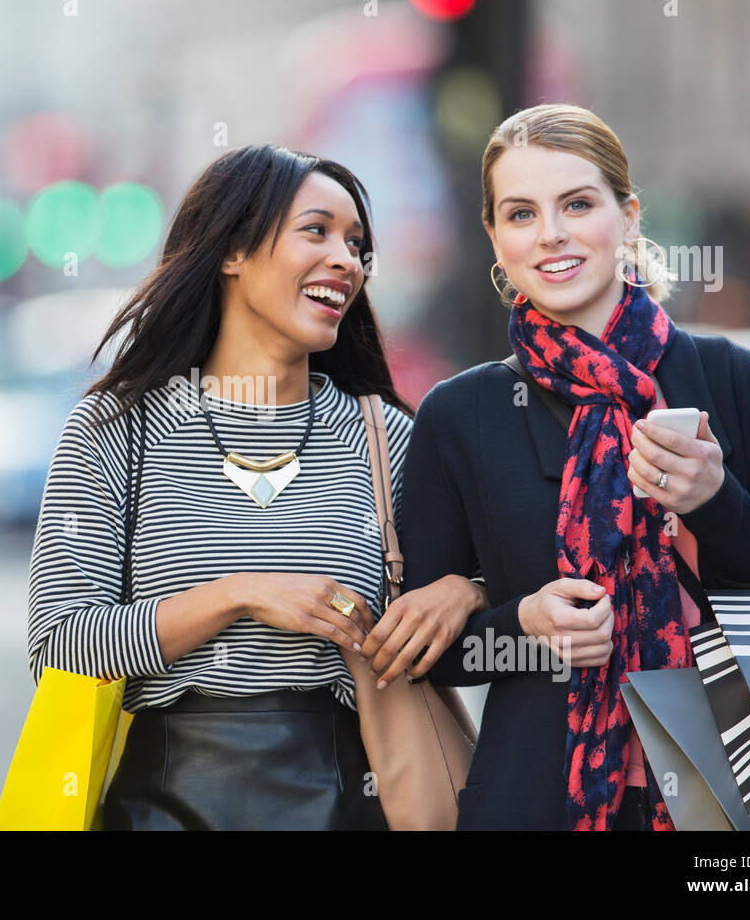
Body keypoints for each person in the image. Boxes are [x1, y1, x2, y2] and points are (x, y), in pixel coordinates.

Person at [27, 144, 487, 830]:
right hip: (162, 806)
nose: (346, 260)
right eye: (317, 231)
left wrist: (465, 590)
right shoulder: (117, 429)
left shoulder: (385, 436)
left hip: (351, 798)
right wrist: (241, 593)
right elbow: (60, 643)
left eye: (357, 244)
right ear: (232, 251)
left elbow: (481, 624)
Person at [395, 104, 750, 831]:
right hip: (537, 800)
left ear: (627, 218)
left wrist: (714, 501)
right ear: (495, 239)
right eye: (521, 213)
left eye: (577, 204)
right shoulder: (460, 413)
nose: (552, 234)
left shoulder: (736, 379)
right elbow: (423, 654)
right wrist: (524, 627)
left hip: (727, 800)